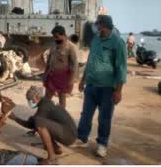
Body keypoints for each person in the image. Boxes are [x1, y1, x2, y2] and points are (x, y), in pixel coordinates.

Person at [76, 14, 127, 158]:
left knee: (104, 118)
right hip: (91, 86)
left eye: (97, 24)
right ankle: (82, 137)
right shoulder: (95, 40)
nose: (96, 27)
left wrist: (118, 91)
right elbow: (90, 62)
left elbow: (121, 68)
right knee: (86, 114)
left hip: (107, 88)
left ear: (103, 25)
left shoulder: (118, 43)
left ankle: (102, 144)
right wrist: (83, 80)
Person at [10, 86, 78, 165]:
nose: (29, 102)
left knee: (39, 123)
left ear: (36, 97)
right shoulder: (45, 102)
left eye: (30, 100)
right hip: (69, 133)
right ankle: (56, 148)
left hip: (69, 136)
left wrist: (15, 118)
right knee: (37, 120)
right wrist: (16, 118)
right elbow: (32, 121)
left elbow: (32, 124)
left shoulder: (44, 106)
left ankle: (51, 158)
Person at [42, 26, 78, 109]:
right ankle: (44, 113)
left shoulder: (71, 47)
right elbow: (49, 61)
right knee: (47, 97)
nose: (55, 39)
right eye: (54, 37)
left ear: (64, 35)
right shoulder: (54, 45)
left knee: (62, 97)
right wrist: (45, 75)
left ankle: (61, 115)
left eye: (57, 36)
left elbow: (74, 65)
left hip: (63, 77)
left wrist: (71, 81)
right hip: (51, 75)